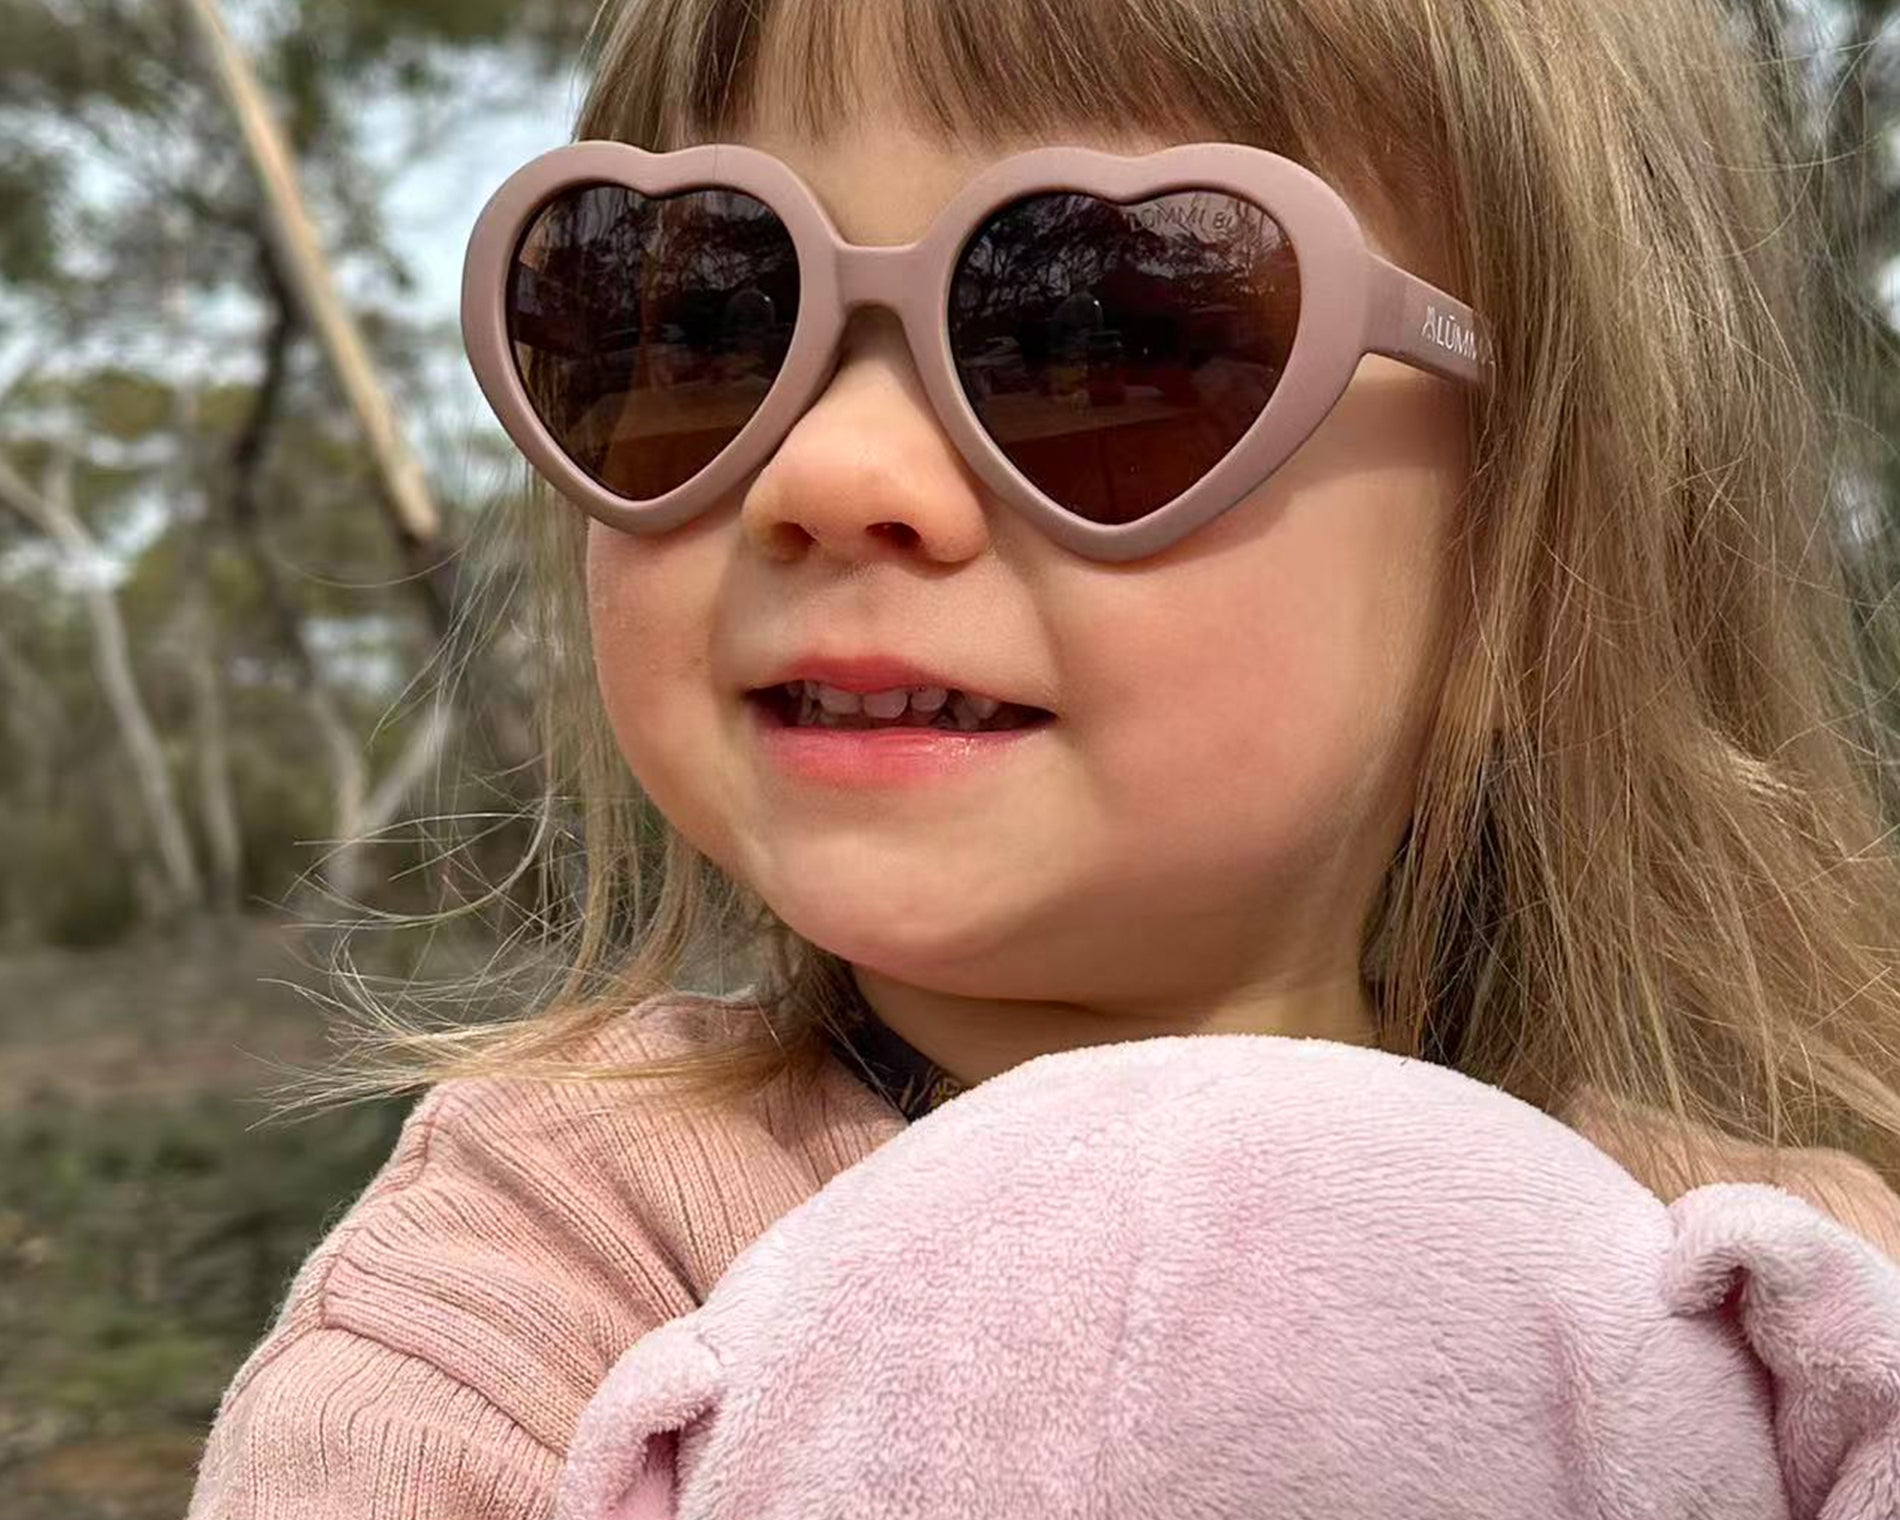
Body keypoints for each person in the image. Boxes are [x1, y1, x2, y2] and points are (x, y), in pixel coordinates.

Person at [183, 0, 1900, 1514]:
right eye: (703, 318)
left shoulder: (1789, 1286)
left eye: (1112, 339)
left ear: (1534, 574)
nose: (832, 473)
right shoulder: (537, 1266)